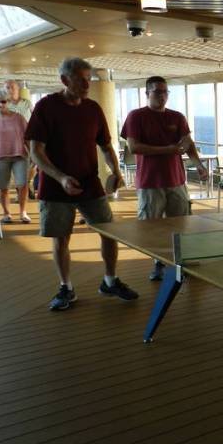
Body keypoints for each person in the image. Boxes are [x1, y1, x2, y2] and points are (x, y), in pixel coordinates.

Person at [25, 56, 138, 311]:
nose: (87, 85)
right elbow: (36, 151)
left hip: (89, 183)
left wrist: (116, 171)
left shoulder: (93, 109)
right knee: (61, 238)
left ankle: (110, 280)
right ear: (65, 80)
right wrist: (61, 177)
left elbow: (106, 145)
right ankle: (66, 287)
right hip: (55, 186)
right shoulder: (46, 107)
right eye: (81, 80)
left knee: (109, 232)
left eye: (89, 79)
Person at [120, 75, 209, 281]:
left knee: (181, 224)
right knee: (152, 227)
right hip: (150, 182)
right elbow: (134, 147)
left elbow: (188, 143)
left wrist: (199, 165)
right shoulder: (136, 116)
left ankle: (183, 262)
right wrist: (167, 149)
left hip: (176, 180)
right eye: (157, 91)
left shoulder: (177, 117)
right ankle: (158, 263)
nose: (162, 96)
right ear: (147, 93)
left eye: (165, 92)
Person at [0, 88, 31, 224]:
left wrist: (33, 154)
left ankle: (23, 212)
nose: (0, 104)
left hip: (20, 155)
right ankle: (6, 213)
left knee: (22, 185)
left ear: (8, 102)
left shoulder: (19, 118)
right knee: (3, 187)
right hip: (0, 156)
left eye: (3, 101)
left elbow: (27, 138)